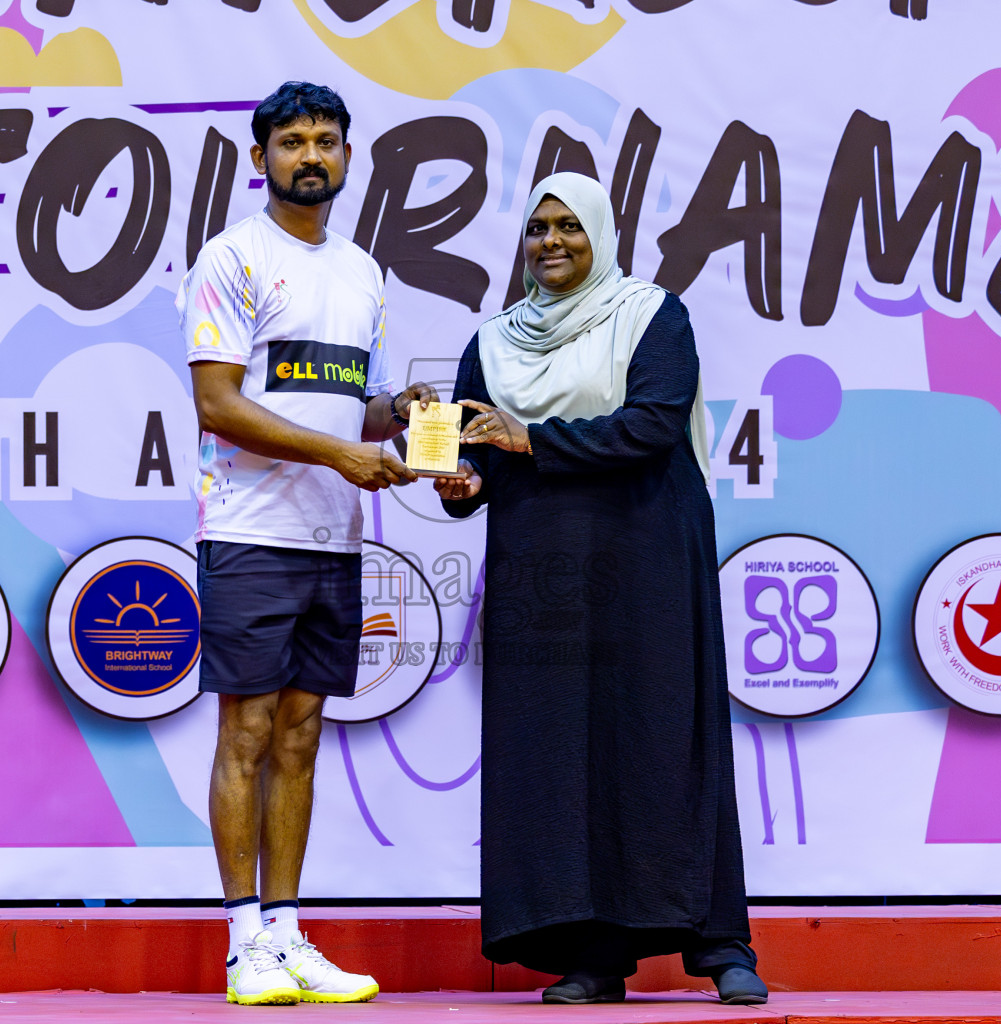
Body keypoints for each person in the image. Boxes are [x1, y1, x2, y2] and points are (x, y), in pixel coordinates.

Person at [434, 171, 767, 1006]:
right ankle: (589, 953)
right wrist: (463, 481)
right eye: (538, 229)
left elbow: (656, 424)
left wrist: (528, 438)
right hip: (542, 571)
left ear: (601, 234)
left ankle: (719, 942)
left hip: (646, 553)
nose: (551, 243)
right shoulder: (493, 340)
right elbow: (472, 449)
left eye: (569, 227)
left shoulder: (650, 314)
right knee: (556, 756)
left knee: (663, 740)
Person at [177, 81, 434, 1007]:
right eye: (291, 141)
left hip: (334, 537)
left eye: (327, 139)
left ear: (349, 156)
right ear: (261, 158)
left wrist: (398, 415)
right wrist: (344, 451)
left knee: (302, 735)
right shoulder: (231, 256)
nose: (310, 155)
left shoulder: (363, 272)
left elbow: (336, 399)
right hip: (250, 532)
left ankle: (287, 931)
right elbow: (219, 404)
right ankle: (244, 941)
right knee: (246, 733)